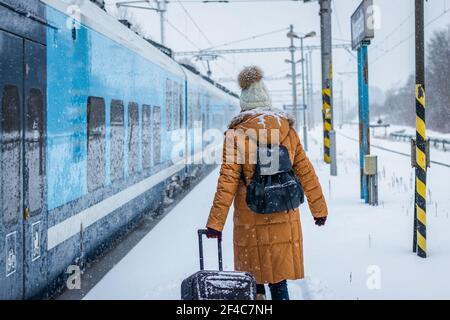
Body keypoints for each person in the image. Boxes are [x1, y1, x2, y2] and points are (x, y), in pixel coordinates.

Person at [205, 66, 328, 300]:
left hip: (250, 217)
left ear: (244, 103)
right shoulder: (287, 131)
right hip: (283, 213)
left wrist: (215, 224)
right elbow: (306, 173)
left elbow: (227, 182)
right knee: (279, 281)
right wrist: (319, 210)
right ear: (266, 98)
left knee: (254, 281)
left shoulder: (236, 135)